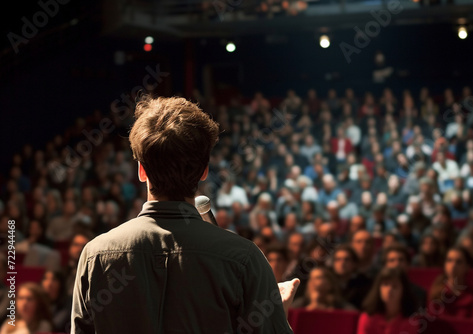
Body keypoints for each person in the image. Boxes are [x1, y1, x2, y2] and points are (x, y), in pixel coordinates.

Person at [71, 96, 300, 333]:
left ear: (141, 170)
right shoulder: (244, 259)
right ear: (204, 171)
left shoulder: (94, 255)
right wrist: (276, 314)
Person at [357, 267, 418, 334]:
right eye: (385, 284)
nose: (389, 290)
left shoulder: (410, 320)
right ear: (378, 288)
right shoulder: (368, 317)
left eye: (395, 286)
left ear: (404, 291)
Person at [427, 247, 473, 318]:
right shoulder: (435, 291)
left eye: (459, 262)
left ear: (467, 267)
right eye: (449, 260)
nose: (453, 266)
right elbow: (431, 323)